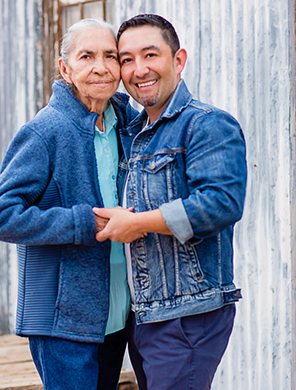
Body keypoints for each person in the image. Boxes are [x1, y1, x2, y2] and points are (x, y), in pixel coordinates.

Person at [0, 19, 138, 390]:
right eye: (86, 56)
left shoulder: (128, 124)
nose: (100, 66)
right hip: (63, 316)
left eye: (110, 56)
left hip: (116, 306)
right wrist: (83, 223)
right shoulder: (44, 132)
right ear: (64, 67)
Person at [93, 14, 247, 390]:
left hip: (188, 315)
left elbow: (221, 203)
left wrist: (139, 223)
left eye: (150, 55)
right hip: (145, 315)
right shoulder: (136, 129)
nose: (138, 69)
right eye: (126, 59)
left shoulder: (206, 124)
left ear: (178, 60)